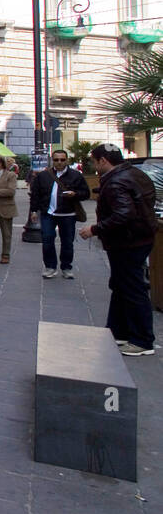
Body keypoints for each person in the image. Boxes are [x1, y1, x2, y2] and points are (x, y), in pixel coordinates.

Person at [79, 144, 158, 356]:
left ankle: (142, 341)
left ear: (103, 160)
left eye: (95, 162)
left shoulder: (116, 182)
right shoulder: (135, 174)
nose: (95, 167)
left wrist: (94, 229)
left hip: (127, 242)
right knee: (121, 286)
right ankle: (117, 332)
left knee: (132, 288)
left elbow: (124, 214)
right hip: (139, 238)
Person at [28, 149, 91, 279]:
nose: (59, 162)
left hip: (68, 214)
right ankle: (50, 266)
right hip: (48, 214)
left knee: (67, 242)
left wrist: (75, 194)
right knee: (47, 240)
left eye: (62, 160)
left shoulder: (75, 176)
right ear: (52, 160)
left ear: (67, 160)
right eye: (56, 160)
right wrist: (34, 211)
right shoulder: (43, 176)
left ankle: (66, 267)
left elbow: (86, 193)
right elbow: (36, 195)